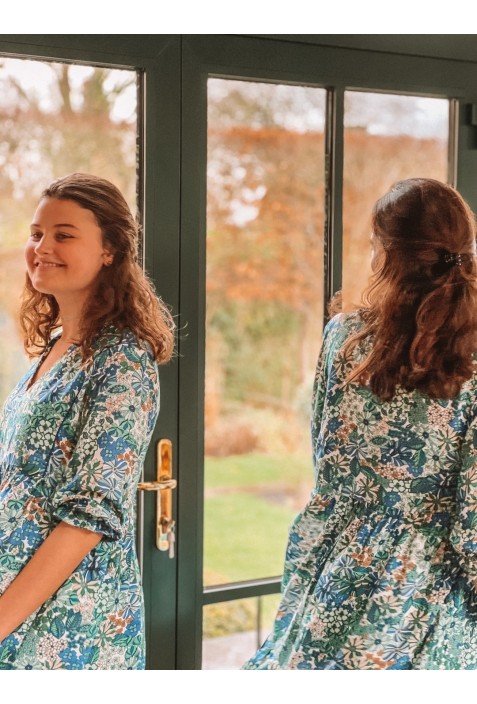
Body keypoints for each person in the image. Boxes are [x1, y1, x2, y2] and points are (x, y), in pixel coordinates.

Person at [243, 177, 477, 670]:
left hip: (334, 564)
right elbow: (472, 517)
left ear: (385, 253)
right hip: (422, 588)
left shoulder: (344, 336)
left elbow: (324, 457)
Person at [0, 173, 174, 669]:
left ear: (110, 251)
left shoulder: (122, 361)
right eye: (36, 233)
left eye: (64, 234)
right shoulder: (54, 346)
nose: (42, 247)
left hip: (64, 621)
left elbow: (87, 519)